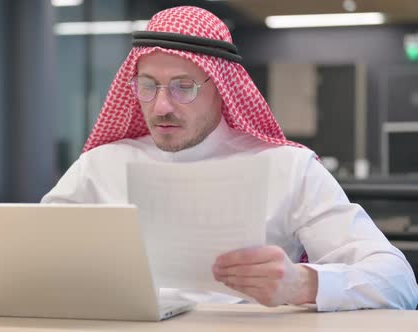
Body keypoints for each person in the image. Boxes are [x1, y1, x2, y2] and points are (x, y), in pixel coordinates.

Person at [41, 6, 418, 311]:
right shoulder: (100, 166)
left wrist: (303, 283)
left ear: (222, 88)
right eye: (147, 86)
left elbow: (398, 282)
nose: (161, 105)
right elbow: (28, 261)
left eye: (183, 87)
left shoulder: (288, 168)